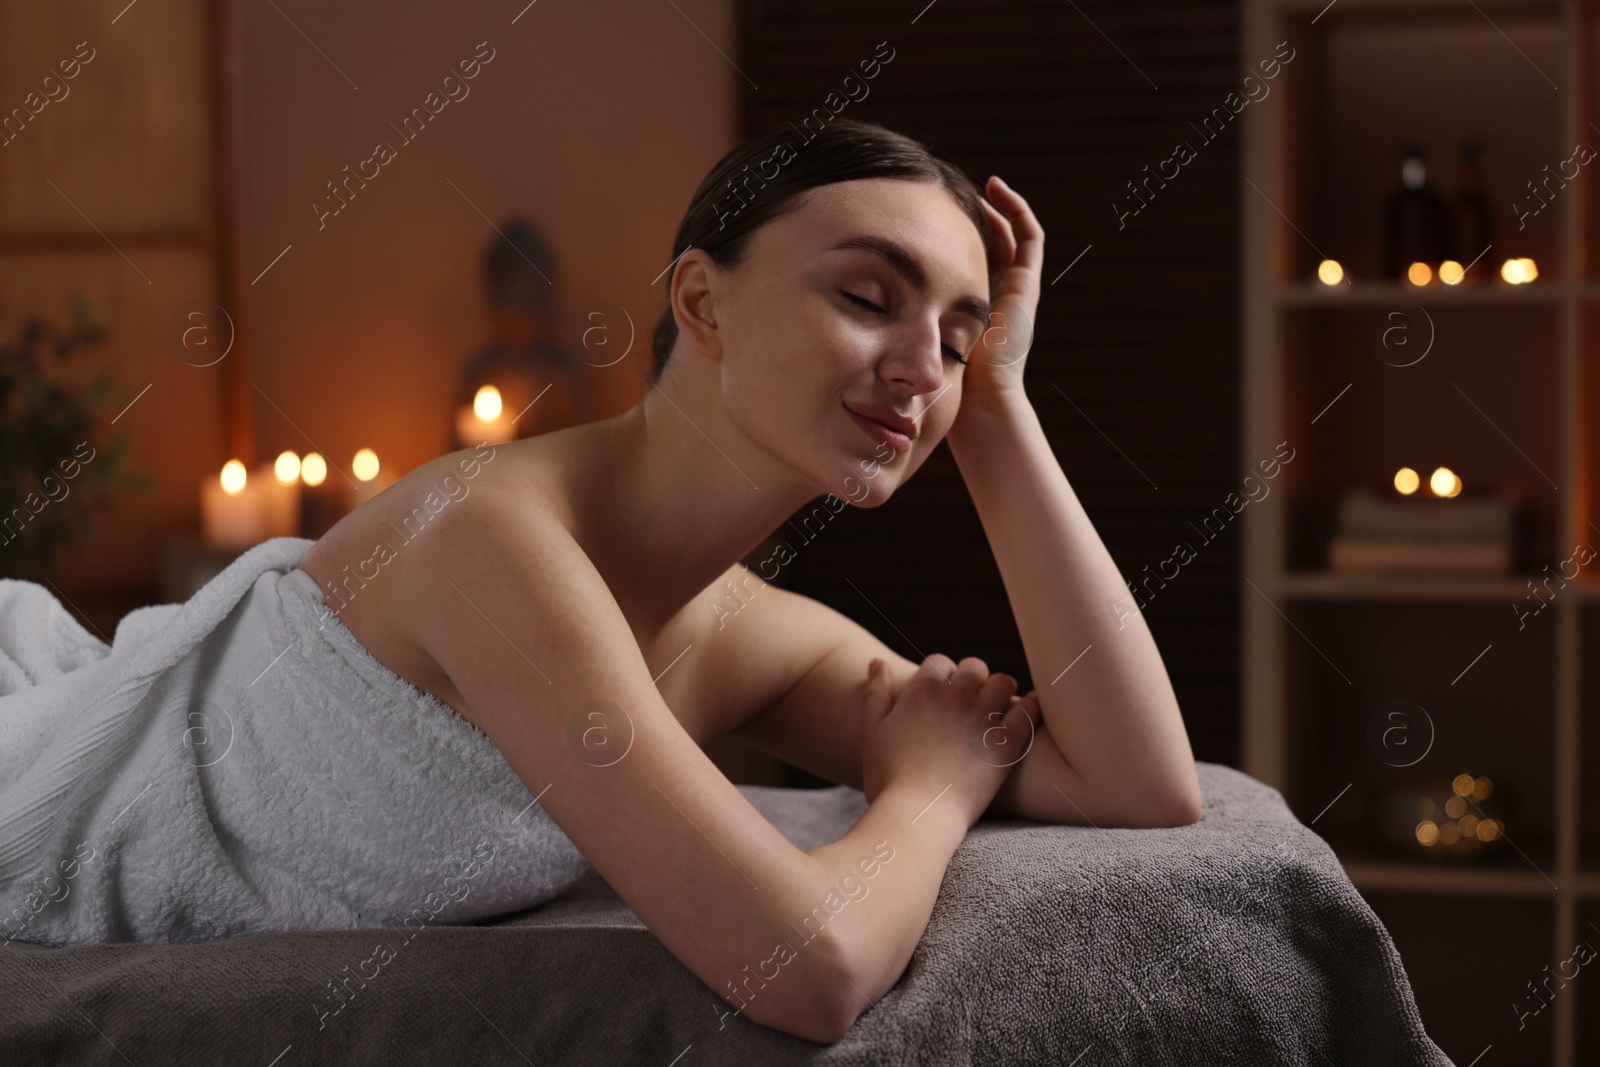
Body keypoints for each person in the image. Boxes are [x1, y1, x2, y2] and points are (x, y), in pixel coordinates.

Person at [0, 119, 1201, 1046]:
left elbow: (1139, 780)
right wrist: (929, 791)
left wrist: (996, 409)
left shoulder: (742, 633)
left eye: (954, 334)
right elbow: (811, 972)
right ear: (701, 301)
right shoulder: (492, 540)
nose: (917, 366)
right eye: (867, 297)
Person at [453, 218, 585, 441]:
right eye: (511, 295)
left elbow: (581, 450)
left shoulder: (561, 372)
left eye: (532, 295)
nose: (522, 308)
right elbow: (452, 455)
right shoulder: (480, 370)